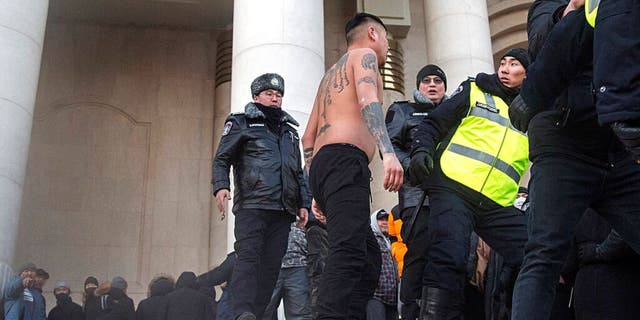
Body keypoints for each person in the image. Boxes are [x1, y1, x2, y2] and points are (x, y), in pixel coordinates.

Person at [507, 2, 640, 318]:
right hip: (563, 141)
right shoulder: (550, 6)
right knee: (543, 255)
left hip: (615, 146)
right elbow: (542, 44)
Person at [409, 48, 530, 318]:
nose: (505, 68)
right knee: (449, 256)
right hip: (453, 187)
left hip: (497, 202)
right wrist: (421, 151)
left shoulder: (534, 111)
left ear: (528, 74)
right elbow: (433, 124)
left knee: (535, 255)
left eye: (514, 64)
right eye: (503, 63)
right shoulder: (475, 90)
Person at [301, 12, 403, 319]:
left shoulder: (328, 76)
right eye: (386, 37)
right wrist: (388, 152)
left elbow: (308, 138)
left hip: (325, 166)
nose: (387, 45)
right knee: (348, 252)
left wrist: (317, 190)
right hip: (345, 162)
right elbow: (368, 100)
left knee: (369, 258)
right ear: (372, 33)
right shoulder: (365, 56)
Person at [212, 72, 311, 320]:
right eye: (269, 94)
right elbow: (222, 158)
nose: (275, 99)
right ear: (256, 96)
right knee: (248, 258)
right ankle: (242, 311)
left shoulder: (290, 132)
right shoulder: (240, 122)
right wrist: (221, 186)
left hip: (283, 210)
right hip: (252, 205)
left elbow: (297, 171)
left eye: (278, 95)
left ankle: (255, 313)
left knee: (271, 266)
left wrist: (303, 203)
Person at [385, 64, 447, 320]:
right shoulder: (403, 110)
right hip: (417, 198)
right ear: (419, 86)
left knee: (446, 259)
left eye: (437, 81)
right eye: (426, 81)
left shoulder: (453, 114)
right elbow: (389, 145)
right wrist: (415, 167)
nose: (432, 85)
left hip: (448, 198)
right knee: (417, 258)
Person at [262, 222, 312, 320]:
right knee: (262, 310)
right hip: (270, 265)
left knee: (301, 315)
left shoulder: (305, 208)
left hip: (299, 265)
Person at [366, 209, 399, 320]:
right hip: (376, 296)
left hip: (393, 297)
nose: (385, 222)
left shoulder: (393, 242)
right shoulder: (371, 241)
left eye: (387, 219)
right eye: (380, 220)